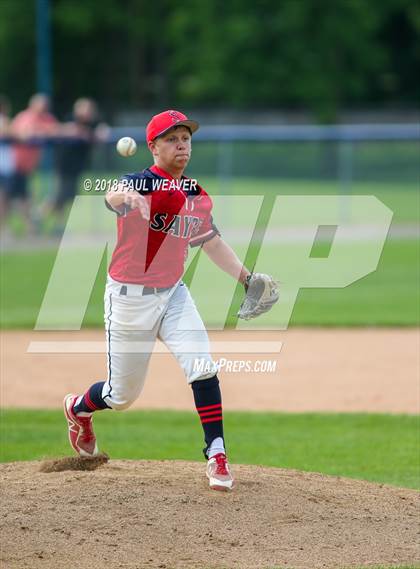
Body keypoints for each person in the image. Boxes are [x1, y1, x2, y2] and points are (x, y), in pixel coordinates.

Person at [63, 109, 253, 492]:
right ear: (153, 147)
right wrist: (129, 196)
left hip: (173, 294)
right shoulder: (139, 182)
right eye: (171, 139)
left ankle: (216, 452)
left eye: (185, 138)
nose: (181, 144)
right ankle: (79, 409)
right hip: (129, 300)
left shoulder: (196, 194)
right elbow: (111, 195)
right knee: (121, 396)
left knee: (202, 365)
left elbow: (210, 242)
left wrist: (247, 279)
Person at [7, 94, 58, 233]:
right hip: (13, 166)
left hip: (27, 168)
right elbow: (21, 133)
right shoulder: (24, 117)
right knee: (9, 198)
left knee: (23, 198)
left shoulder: (47, 118)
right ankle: (11, 229)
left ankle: (30, 227)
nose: (43, 109)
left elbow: (55, 130)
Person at [52, 98, 109, 216]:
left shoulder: (93, 123)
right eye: (84, 108)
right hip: (65, 165)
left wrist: (100, 131)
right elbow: (68, 129)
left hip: (77, 166)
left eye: (89, 109)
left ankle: (59, 222)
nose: (87, 112)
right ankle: (39, 216)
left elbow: (102, 131)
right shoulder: (71, 119)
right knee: (61, 196)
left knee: (70, 196)